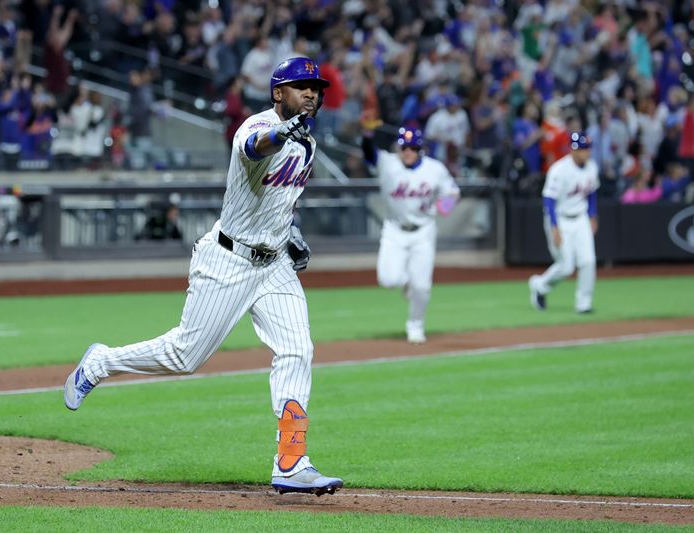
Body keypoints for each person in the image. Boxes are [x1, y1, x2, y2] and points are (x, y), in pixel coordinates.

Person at [64, 57, 343, 496]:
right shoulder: (256, 128)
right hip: (227, 261)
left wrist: (291, 232)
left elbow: (275, 200)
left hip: (274, 266)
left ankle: (291, 461)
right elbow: (255, 149)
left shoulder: (307, 145)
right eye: (300, 85)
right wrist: (280, 134)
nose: (311, 92)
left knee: (297, 350)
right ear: (277, 93)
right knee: (184, 356)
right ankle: (101, 362)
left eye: (316, 86)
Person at [360, 118, 460, 344]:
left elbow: (452, 192)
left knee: (422, 287)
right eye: (403, 147)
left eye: (412, 147)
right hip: (394, 229)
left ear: (420, 149)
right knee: (387, 279)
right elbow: (369, 155)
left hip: (423, 231)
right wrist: (366, 136)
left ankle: (416, 326)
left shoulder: (435, 169)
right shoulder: (388, 163)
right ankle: (406, 282)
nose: (407, 151)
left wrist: (445, 206)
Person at [529, 132, 600, 314]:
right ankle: (540, 285)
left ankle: (583, 304)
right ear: (573, 150)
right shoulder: (559, 170)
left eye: (588, 148)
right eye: (583, 149)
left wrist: (592, 215)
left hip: (580, 218)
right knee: (566, 266)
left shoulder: (591, 167)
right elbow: (549, 200)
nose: (586, 153)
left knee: (588, 261)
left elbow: (591, 193)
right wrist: (554, 227)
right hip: (560, 219)